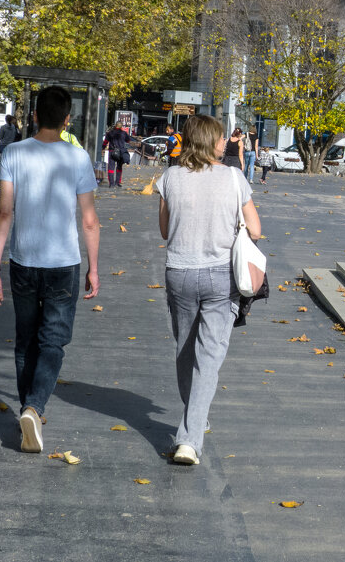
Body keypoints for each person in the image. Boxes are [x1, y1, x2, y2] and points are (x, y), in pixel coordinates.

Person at [0, 85, 100, 454]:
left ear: (34, 115)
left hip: (23, 260)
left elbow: (5, 211)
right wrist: (94, 267)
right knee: (53, 342)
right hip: (63, 262)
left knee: (25, 341)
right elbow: (89, 220)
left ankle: (28, 410)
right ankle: (34, 407)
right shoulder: (77, 158)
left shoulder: (14, 153)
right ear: (68, 119)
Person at [156, 114, 261, 465]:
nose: (225, 143)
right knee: (210, 356)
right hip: (220, 277)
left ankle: (195, 419)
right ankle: (189, 439)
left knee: (186, 350)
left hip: (180, 273)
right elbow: (256, 230)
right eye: (220, 138)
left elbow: (164, 229)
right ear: (210, 141)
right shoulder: (233, 177)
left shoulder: (170, 177)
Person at [103, 121, 131, 187]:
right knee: (119, 167)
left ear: (115, 126)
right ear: (121, 126)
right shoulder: (124, 133)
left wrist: (103, 147)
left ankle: (111, 183)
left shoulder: (110, 133)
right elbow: (128, 140)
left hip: (112, 151)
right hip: (121, 152)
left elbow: (105, 142)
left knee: (111, 167)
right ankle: (117, 182)